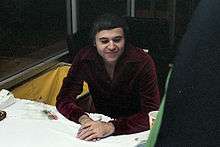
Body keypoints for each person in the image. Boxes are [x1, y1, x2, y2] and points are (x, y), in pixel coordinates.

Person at [56, 13, 160, 141]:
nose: (111, 46)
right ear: (94, 42)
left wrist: (111, 127)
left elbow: (152, 113)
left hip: (135, 129)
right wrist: (84, 119)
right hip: (99, 124)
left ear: (125, 40)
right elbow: (64, 98)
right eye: (104, 41)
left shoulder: (142, 61)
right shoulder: (84, 57)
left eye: (117, 40)